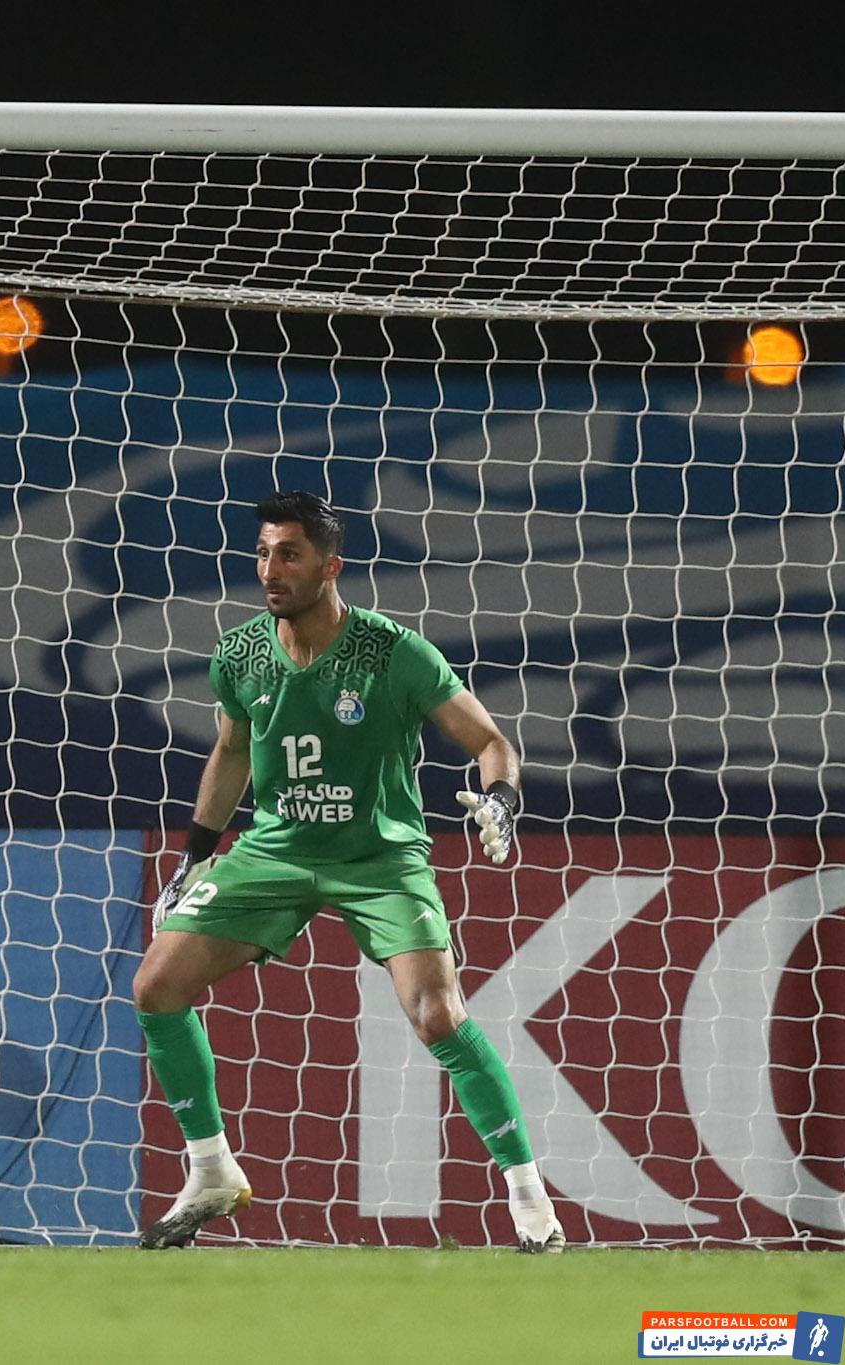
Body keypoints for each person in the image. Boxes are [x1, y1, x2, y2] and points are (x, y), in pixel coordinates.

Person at [130, 490, 563, 1253]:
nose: (271, 570)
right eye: (263, 553)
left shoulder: (393, 652)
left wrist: (500, 798)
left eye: (289, 554)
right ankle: (210, 1169)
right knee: (156, 985)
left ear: (331, 566)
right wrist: (194, 855)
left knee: (438, 1014)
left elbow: (491, 742)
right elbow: (232, 752)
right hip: (276, 851)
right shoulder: (240, 654)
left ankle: (530, 1199)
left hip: (380, 858)